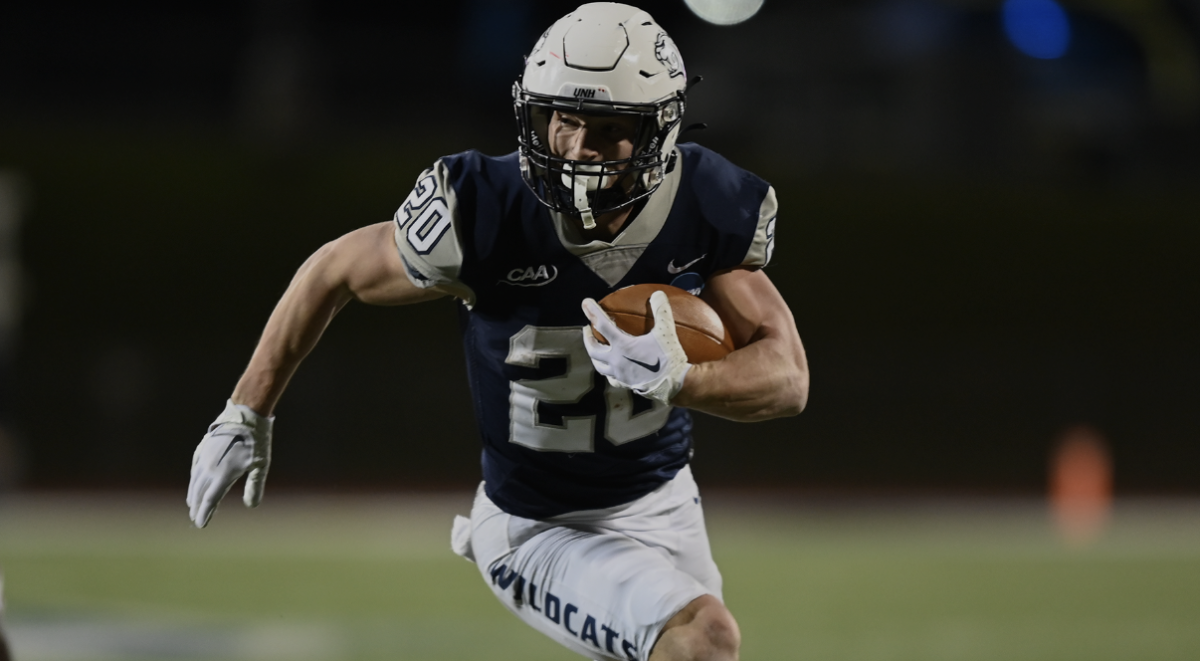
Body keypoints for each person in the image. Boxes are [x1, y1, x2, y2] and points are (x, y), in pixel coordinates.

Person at [186, 4, 808, 660]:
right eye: (563, 119)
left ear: (659, 132)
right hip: (537, 527)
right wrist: (245, 409)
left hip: (667, 500)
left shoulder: (702, 204)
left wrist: (685, 378)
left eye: (606, 128)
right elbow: (332, 270)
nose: (576, 149)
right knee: (705, 639)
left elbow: (788, 376)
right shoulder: (484, 207)